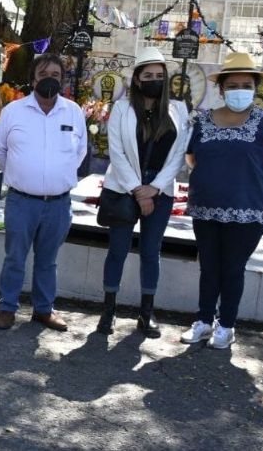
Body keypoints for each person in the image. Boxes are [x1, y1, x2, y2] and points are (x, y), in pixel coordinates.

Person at [181, 53, 263, 349]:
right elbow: (192, 159)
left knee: (232, 267)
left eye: (246, 84)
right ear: (221, 89)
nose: (239, 89)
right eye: (233, 85)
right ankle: (203, 321)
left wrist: (256, 184)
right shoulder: (202, 122)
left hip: (250, 210)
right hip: (206, 207)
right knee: (209, 266)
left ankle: (226, 325)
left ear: (255, 88)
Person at [0, 53, 87, 332]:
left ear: (62, 80)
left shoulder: (73, 112)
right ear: (33, 78)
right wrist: (22, 175)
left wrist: (57, 176)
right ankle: (7, 308)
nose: (49, 80)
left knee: (48, 260)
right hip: (22, 201)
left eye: (55, 75)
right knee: (14, 258)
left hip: (58, 203)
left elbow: (80, 151)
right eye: (44, 74)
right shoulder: (13, 111)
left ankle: (43, 310)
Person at [97, 47, 189, 338]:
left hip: (160, 188)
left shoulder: (178, 109)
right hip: (125, 188)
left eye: (159, 75)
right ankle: (108, 312)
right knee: (118, 251)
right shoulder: (122, 108)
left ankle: (146, 315)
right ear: (137, 80)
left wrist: (155, 188)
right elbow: (117, 152)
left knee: (151, 251)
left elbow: (178, 155)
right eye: (147, 75)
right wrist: (139, 190)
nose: (154, 80)